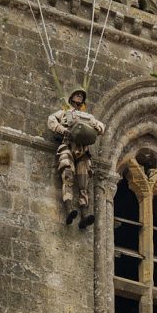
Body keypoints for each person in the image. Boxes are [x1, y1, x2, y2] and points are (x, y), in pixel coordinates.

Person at [48, 88, 105, 228]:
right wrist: (63, 130)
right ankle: (69, 208)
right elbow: (51, 120)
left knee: (84, 181)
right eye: (77, 95)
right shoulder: (63, 113)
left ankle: (84, 212)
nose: (79, 97)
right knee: (68, 175)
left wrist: (97, 127)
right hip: (67, 146)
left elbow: (101, 127)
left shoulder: (88, 117)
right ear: (71, 97)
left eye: (81, 96)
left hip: (83, 151)